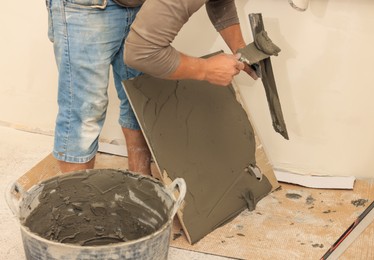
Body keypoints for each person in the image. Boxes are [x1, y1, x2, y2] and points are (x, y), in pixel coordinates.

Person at [47, 0, 152, 175]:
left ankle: (141, 183)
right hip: (87, 8)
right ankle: (77, 196)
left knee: (140, 99)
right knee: (84, 111)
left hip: (140, 6)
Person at [124, 0, 257, 86]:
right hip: (111, 7)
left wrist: (240, 48)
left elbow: (220, 2)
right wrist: (206, 69)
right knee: (135, 95)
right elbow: (141, 54)